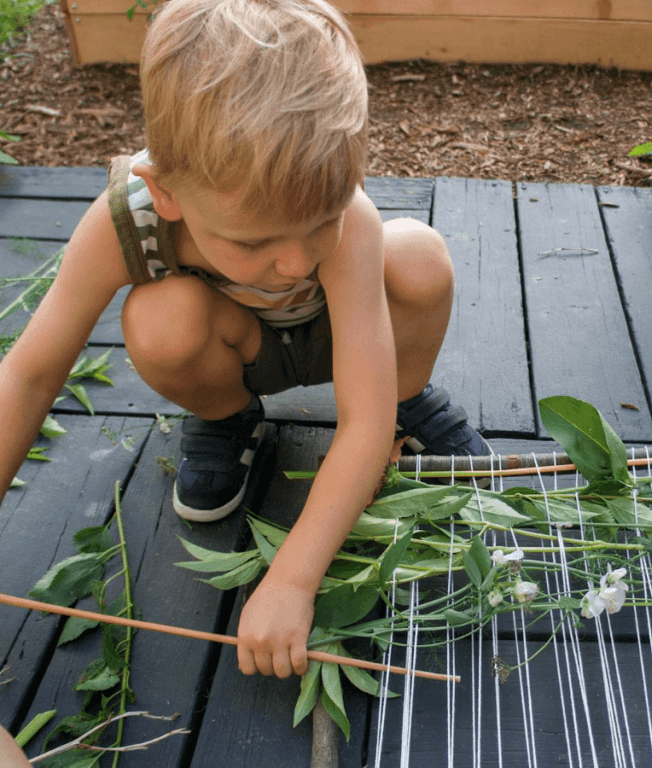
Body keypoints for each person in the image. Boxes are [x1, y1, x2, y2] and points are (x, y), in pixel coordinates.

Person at [0, 0, 486, 679]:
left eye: (318, 225)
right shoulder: (125, 222)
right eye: (255, 241)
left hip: (344, 339)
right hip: (241, 351)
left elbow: (362, 424)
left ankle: (413, 393)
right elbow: (27, 375)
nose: (295, 263)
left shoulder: (350, 219)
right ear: (164, 193)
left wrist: (290, 581)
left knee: (422, 259)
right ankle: (228, 419)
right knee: (159, 320)